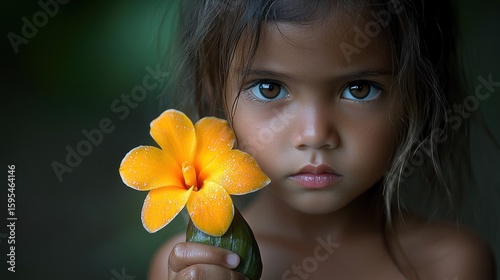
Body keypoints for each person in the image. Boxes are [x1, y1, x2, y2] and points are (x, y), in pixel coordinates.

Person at [149, 0, 496, 279]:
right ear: (216, 94)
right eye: (269, 88)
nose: (314, 135)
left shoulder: (450, 264)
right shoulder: (189, 266)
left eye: (359, 90)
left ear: (416, 94)